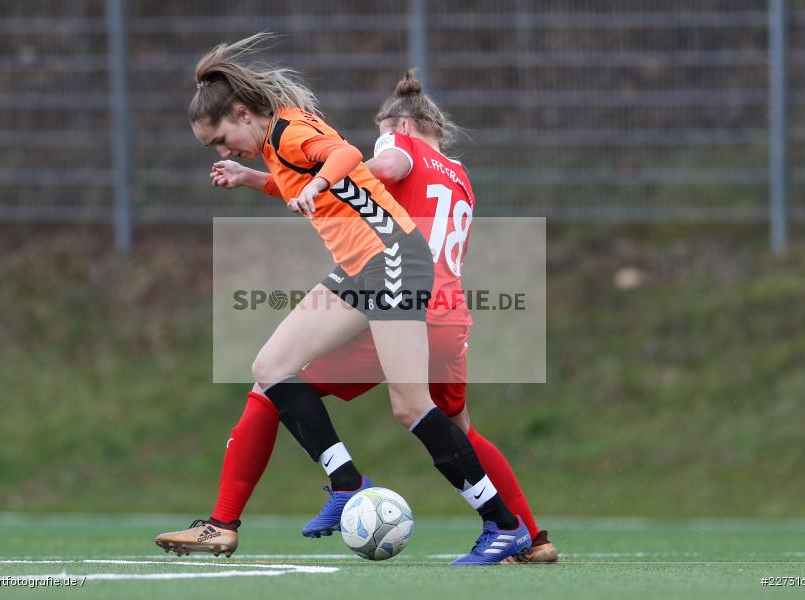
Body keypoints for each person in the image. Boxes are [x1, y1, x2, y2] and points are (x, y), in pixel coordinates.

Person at [158, 34, 533, 565]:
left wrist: (316, 184)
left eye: (222, 139)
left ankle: (504, 527)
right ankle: (346, 482)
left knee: (411, 408)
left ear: (243, 113)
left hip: (395, 259)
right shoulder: (272, 143)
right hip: (362, 267)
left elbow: (345, 155)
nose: (222, 150)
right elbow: (310, 183)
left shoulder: (289, 131)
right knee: (271, 366)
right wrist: (251, 179)